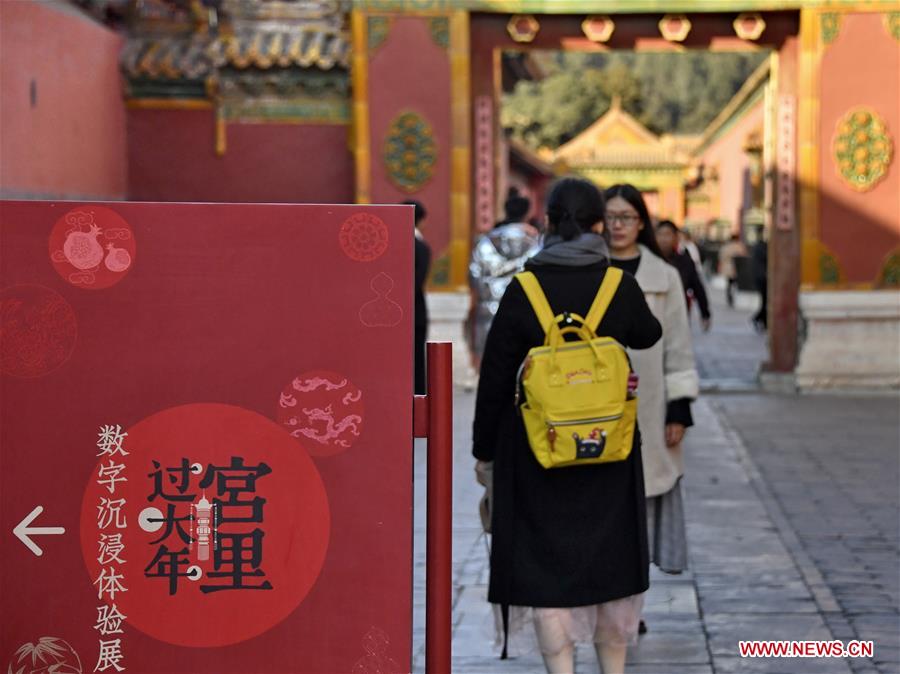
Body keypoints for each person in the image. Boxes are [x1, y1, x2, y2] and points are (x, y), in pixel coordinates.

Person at [473, 178, 662, 674]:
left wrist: (483, 451)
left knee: (544, 573)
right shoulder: (617, 285)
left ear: (550, 224)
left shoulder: (524, 289)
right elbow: (648, 333)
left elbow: (495, 376)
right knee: (611, 568)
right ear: (599, 224)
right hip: (609, 452)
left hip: (537, 451)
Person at [603, 184, 700, 622]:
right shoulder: (591, 271)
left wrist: (679, 407)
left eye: (626, 217)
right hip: (595, 409)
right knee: (604, 510)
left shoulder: (665, 277)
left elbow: (679, 347)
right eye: (610, 217)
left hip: (649, 407)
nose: (617, 225)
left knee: (640, 507)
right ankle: (608, 598)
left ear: (641, 222)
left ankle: (630, 605)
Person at [467, 190, 541, 371]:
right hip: (526, 309)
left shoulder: (486, 241)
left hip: (488, 310)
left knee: (491, 369)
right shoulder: (537, 242)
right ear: (528, 213)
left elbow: (474, 275)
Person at [656, 220, 711, 331]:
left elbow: (697, 287)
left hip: (678, 316)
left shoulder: (685, 261)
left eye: (667, 234)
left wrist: (705, 313)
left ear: (676, 238)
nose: (663, 239)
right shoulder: (648, 261)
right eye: (660, 234)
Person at [404, 200, 431, 395]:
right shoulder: (421, 248)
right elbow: (417, 281)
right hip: (415, 311)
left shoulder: (391, 245)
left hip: (390, 311)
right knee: (416, 359)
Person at [718, 233, 747, 308]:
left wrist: (720, 267)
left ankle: (729, 297)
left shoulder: (726, 247)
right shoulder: (739, 246)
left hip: (727, 268)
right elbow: (744, 256)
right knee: (735, 283)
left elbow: (721, 257)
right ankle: (733, 297)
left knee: (729, 284)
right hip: (737, 268)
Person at [751, 225, 768, 332]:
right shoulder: (760, 246)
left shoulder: (759, 245)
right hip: (762, 278)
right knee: (765, 300)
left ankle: (762, 320)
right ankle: (758, 318)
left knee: (765, 300)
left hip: (761, 277)